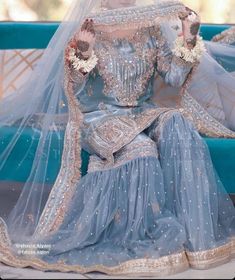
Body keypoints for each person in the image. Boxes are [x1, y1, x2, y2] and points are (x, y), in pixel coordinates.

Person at [0, 0, 234, 277]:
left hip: (141, 113)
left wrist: (189, 36)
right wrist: (84, 51)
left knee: (177, 123)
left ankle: (198, 239)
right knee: (142, 150)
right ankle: (138, 238)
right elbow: (73, 87)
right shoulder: (90, 27)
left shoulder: (151, 28)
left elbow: (172, 77)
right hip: (99, 117)